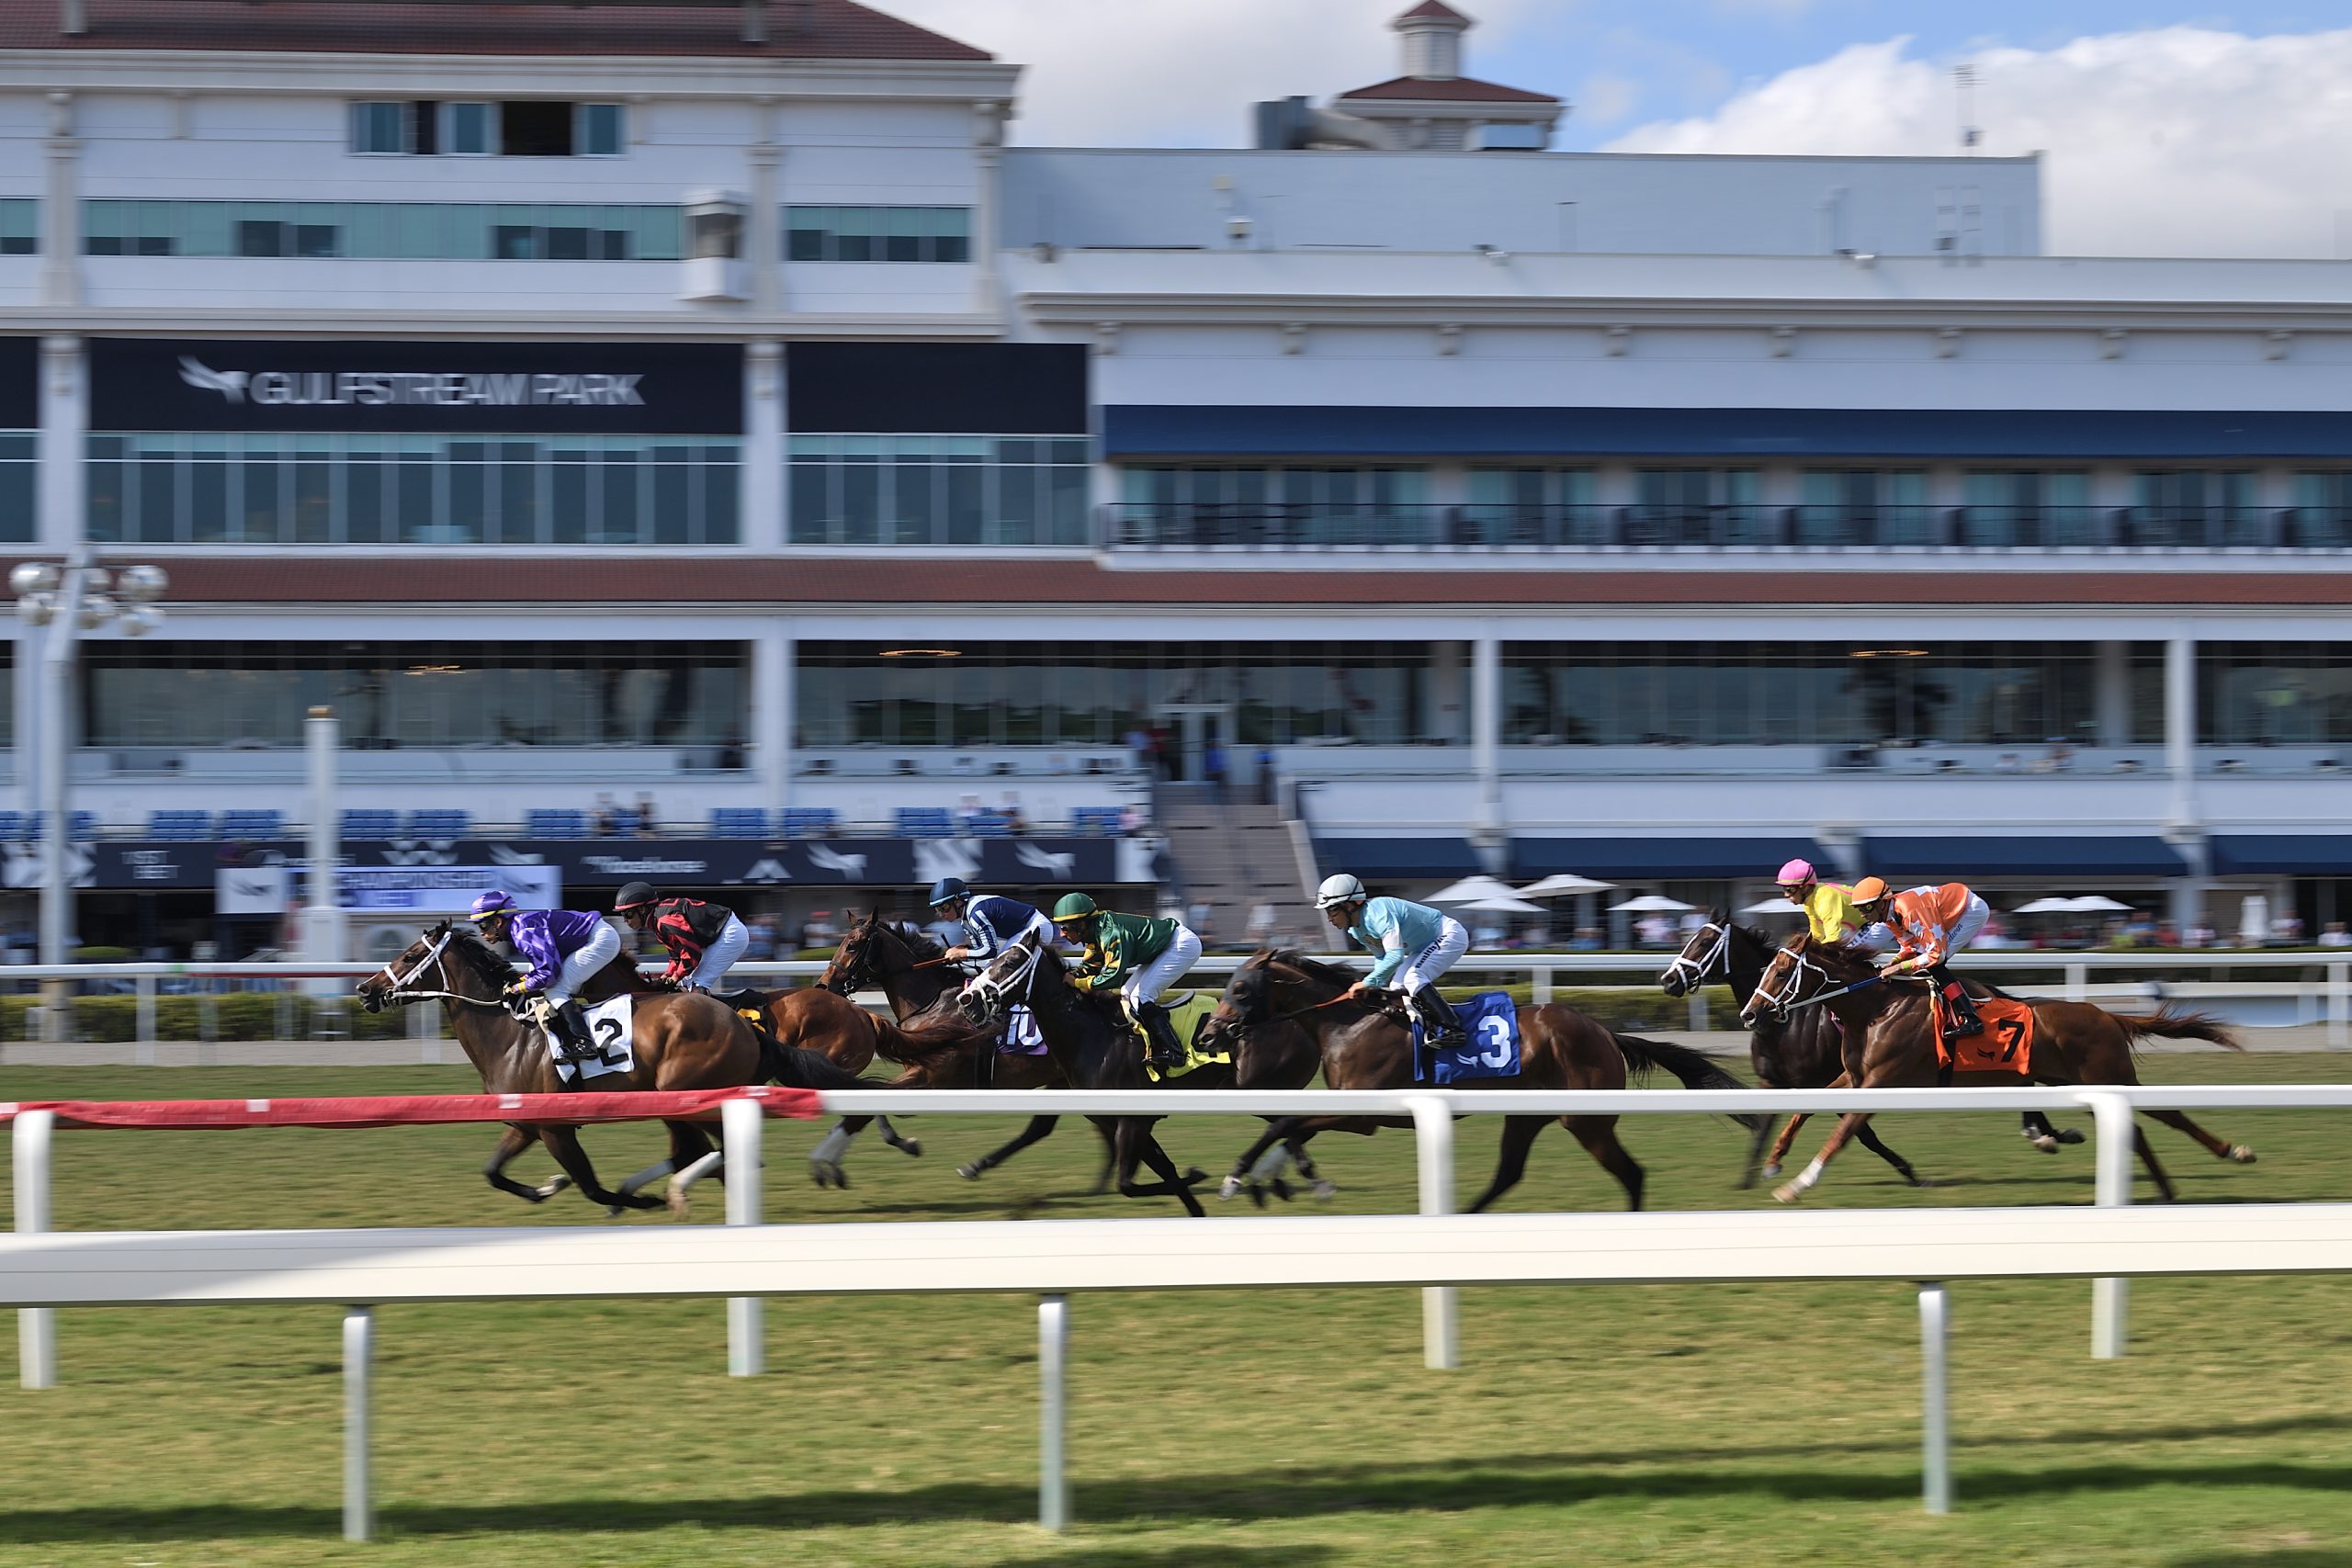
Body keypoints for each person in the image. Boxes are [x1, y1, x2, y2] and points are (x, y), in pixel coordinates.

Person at [1314, 872, 1469, 1046]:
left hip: (1448, 934)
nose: (1329, 919)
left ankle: (1454, 1030)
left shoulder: (1379, 913)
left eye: (1332, 910)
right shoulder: (1356, 930)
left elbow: (1395, 957)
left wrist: (1366, 982)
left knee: (1413, 978)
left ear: (1350, 905)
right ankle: (1424, 1029)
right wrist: (1373, 985)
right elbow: (1382, 957)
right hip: (1422, 947)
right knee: (1397, 986)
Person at [1051, 892, 1201, 1068]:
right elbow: (1091, 966)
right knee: (1127, 993)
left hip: (1181, 945)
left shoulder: (1111, 934)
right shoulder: (1094, 932)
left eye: (1065, 928)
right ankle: (1143, 1044)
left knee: (1141, 997)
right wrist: (1069, 977)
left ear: (1081, 924)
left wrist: (1077, 983)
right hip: (1163, 948)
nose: (1061, 934)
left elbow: (1112, 978)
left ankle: (1174, 1052)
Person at [469, 890, 620, 1065]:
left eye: (482, 925)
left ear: (497, 921)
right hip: (592, 935)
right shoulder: (519, 929)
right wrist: (524, 982)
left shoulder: (522, 933)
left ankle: (584, 1043)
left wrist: (517, 988)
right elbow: (542, 969)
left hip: (600, 940)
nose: (481, 932)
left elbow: (549, 975)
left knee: (556, 989)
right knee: (538, 977)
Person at [1851, 876, 1990, 1040]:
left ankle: (1971, 1019)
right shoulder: (1890, 917)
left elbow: (1936, 954)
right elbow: (1909, 948)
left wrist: (1899, 968)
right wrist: (1893, 963)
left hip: (1969, 910)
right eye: (1859, 909)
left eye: (1867, 908)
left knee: (1935, 964)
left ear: (1882, 903)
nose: (1863, 914)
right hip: (1949, 912)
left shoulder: (1909, 912)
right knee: (1921, 961)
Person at [613, 880, 750, 995]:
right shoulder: (657, 921)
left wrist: (674, 978)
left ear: (642, 910)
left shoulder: (666, 920)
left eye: (628, 914)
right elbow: (677, 957)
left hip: (730, 934)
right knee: (686, 983)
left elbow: (692, 955)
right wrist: (666, 976)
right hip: (718, 936)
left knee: (697, 984)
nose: (625, 920)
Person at [928, 876, 1055, 965]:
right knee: (991, 966)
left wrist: (961, 953)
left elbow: (990, 951)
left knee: (1001, 965)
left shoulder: (976, 914)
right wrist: (961, 952)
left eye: (943, 908)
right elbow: (980, 950)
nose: (941, 914)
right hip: (1026, 930)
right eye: (937, 909)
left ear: (958, 902)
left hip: (1037, 926)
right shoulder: (966, 922)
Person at [1777, 857, 1894, 951]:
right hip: (1862, 926)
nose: (1786, 895)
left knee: (1848, 957)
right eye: (1784, 889)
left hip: (1882, 920)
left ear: (1805, 887)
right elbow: (1817, 936)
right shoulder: (1809, 903)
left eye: (1790, 889)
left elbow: (1833, 939)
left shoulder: (1825, 898)